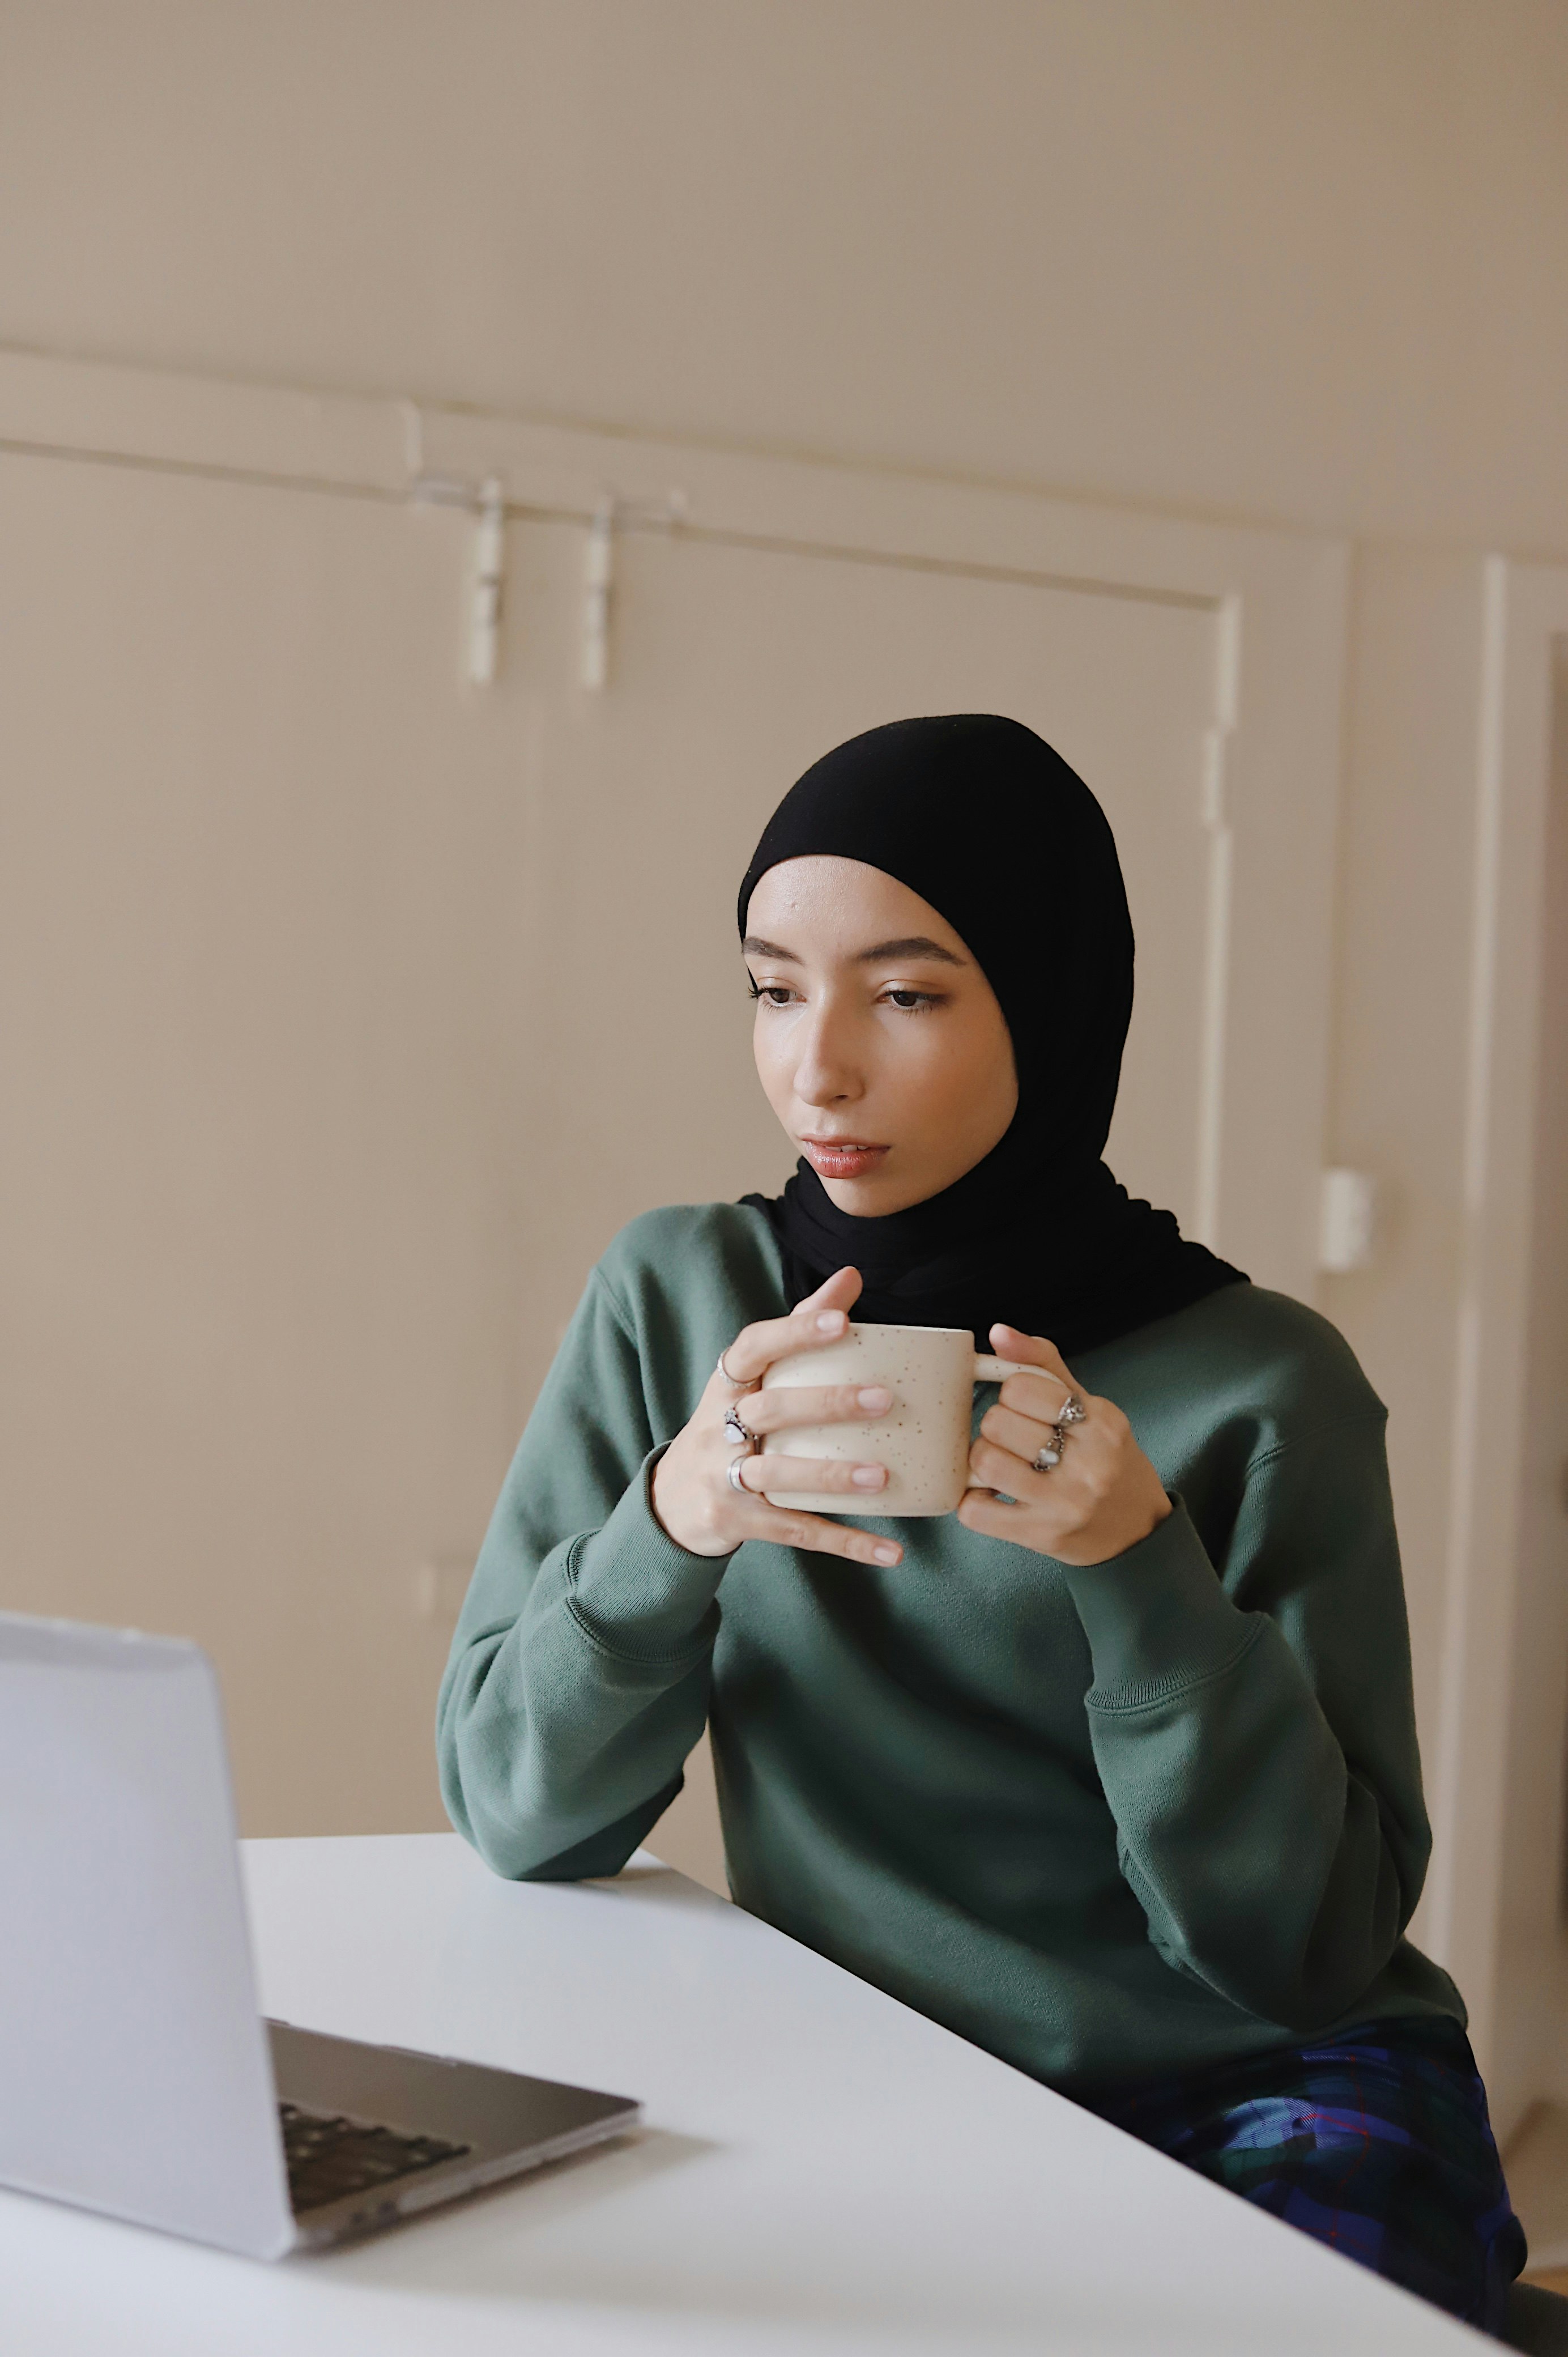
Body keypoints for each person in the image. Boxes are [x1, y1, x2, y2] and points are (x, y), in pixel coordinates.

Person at [439, 714, 1524, 2332]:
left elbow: (1304, 1951)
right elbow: (520, 1812)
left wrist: (1136, 1573)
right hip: (881, 2089)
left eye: (909, 993)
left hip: (1258, 2087)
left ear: (1054, 1003)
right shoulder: (682, 1303)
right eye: (775, 987)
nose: (820, 1067)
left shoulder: (1261, 1383)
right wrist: (674, 1521)